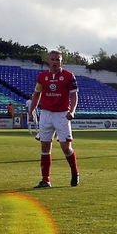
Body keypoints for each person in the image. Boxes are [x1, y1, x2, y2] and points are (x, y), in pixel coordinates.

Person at [29, 50, 80, 189]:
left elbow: (74, 95)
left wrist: (72, 111)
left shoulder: (69, 76)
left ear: (61, 61)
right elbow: (37, 94)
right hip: (46, 114)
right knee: (45, 146)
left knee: (65, 147)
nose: (55, 62)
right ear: (48, 61)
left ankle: (74, 171)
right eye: (52, 59)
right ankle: (45, 180)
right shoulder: (42, 77)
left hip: (62, 114)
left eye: (58, 59)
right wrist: (31, 110)